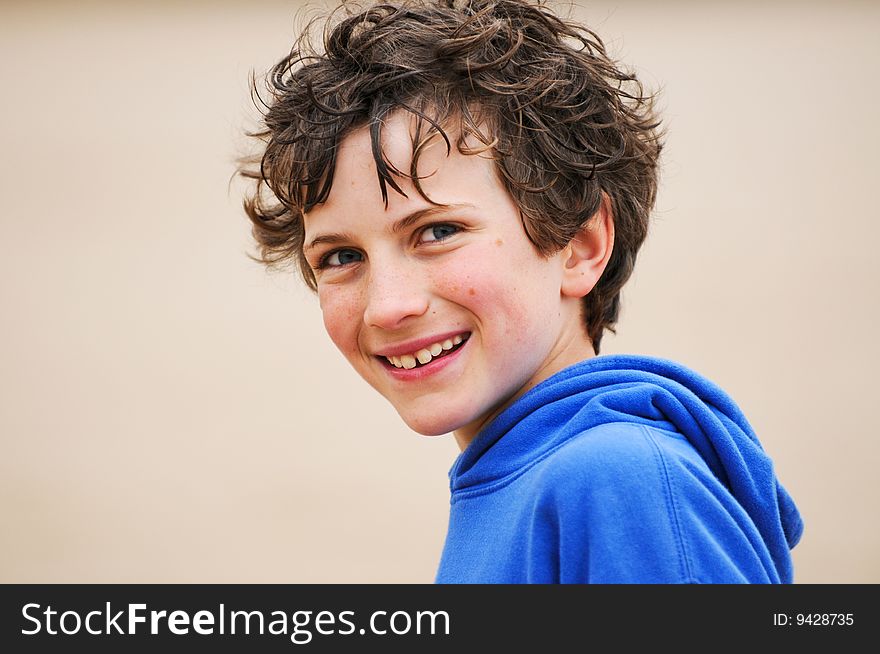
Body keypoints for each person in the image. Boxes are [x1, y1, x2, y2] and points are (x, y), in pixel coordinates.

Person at [239, 0, 803, 583]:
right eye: (342, 257)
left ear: (579, 246)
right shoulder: (520, 480)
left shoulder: (619, 480)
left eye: (437, 231)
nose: (387, 305)